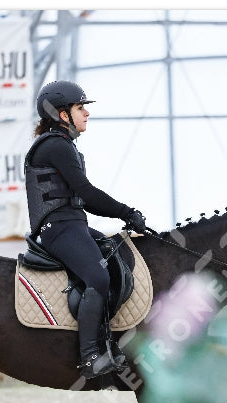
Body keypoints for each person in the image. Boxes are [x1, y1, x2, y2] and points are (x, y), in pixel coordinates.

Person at [25, 80, 147, 379]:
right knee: (97, 275)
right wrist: (126, 212)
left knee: (115, 259)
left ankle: (109, 343)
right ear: (63, 115)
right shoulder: (55, 145)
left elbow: (82, 198)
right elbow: (87, 193)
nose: (86, 114)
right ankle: (90, 357)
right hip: (59, 228)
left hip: (74, 225)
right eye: (81, 108)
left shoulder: (65, 145)